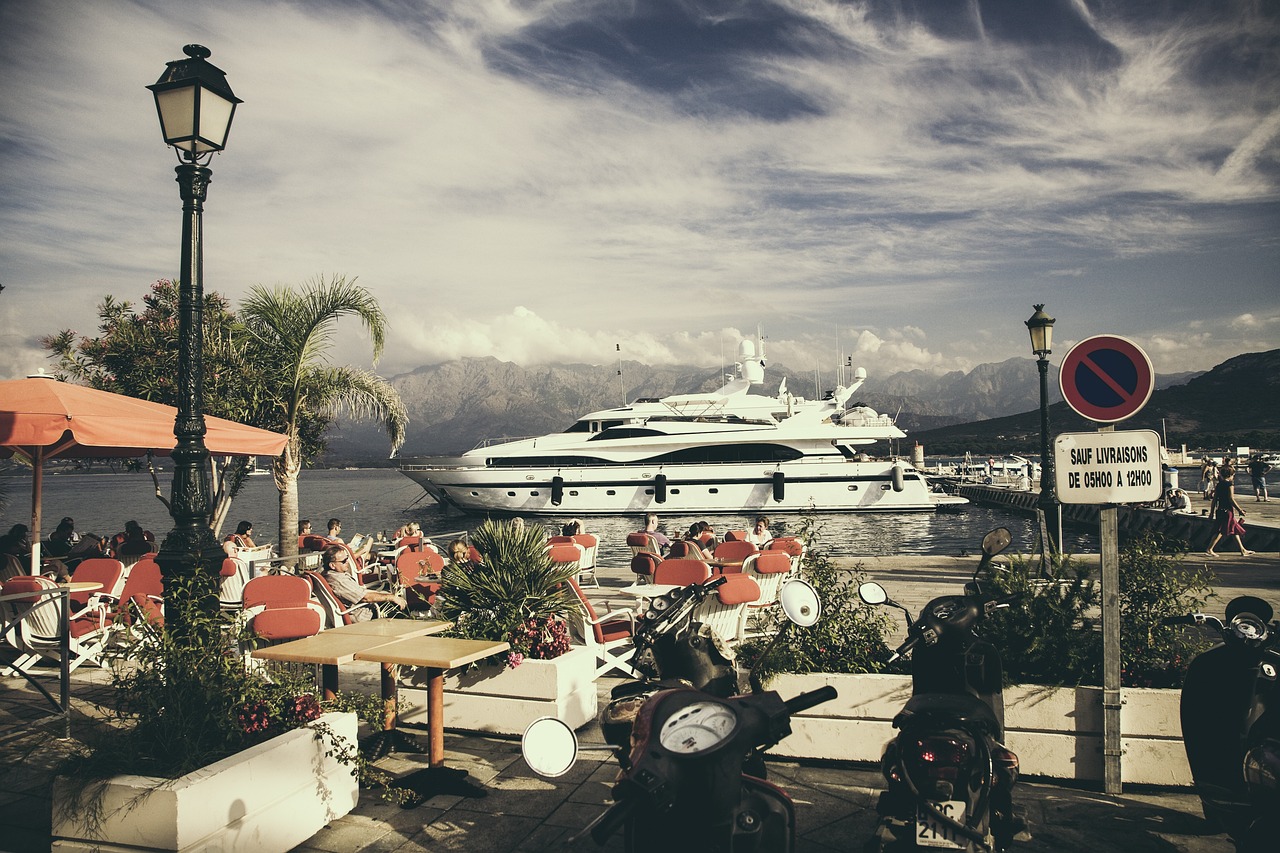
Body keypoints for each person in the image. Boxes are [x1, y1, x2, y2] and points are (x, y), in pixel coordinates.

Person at [320, 544, 405, 621]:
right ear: (332, 565)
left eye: (347, 558)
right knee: (405, 609)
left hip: (360, 608)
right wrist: (392, 597)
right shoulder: (340, 581)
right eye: (344, 561)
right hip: (363, 613)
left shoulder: (329, 574)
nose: (347, 562)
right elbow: (365, 598)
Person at [1206, 462, 1254, 557]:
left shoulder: (1219, 485)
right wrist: (1240, 510)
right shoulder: (1229, 484)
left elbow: (1214, 500)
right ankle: (1209, 549)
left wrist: (1211, 512)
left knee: (1234, 529)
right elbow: (1231, 499)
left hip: (1220, 510)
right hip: (1227, 511)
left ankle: (1242, 550)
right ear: (1231, 475)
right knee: (1221, 530)